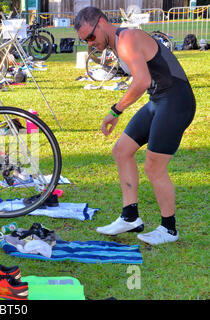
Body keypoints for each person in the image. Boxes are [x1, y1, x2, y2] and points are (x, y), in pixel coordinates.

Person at [74, 7, 196, 245]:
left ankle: (169, 229)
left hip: (176, 100)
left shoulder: (127, 38)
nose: (90, 44)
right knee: (121, 150)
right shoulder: (117, 43)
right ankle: (130, 217)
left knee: (154, 167)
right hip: (159, 100)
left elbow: (143, 80)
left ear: (101, 23)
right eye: (84, 41)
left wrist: (115, 110)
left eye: (90, 37)